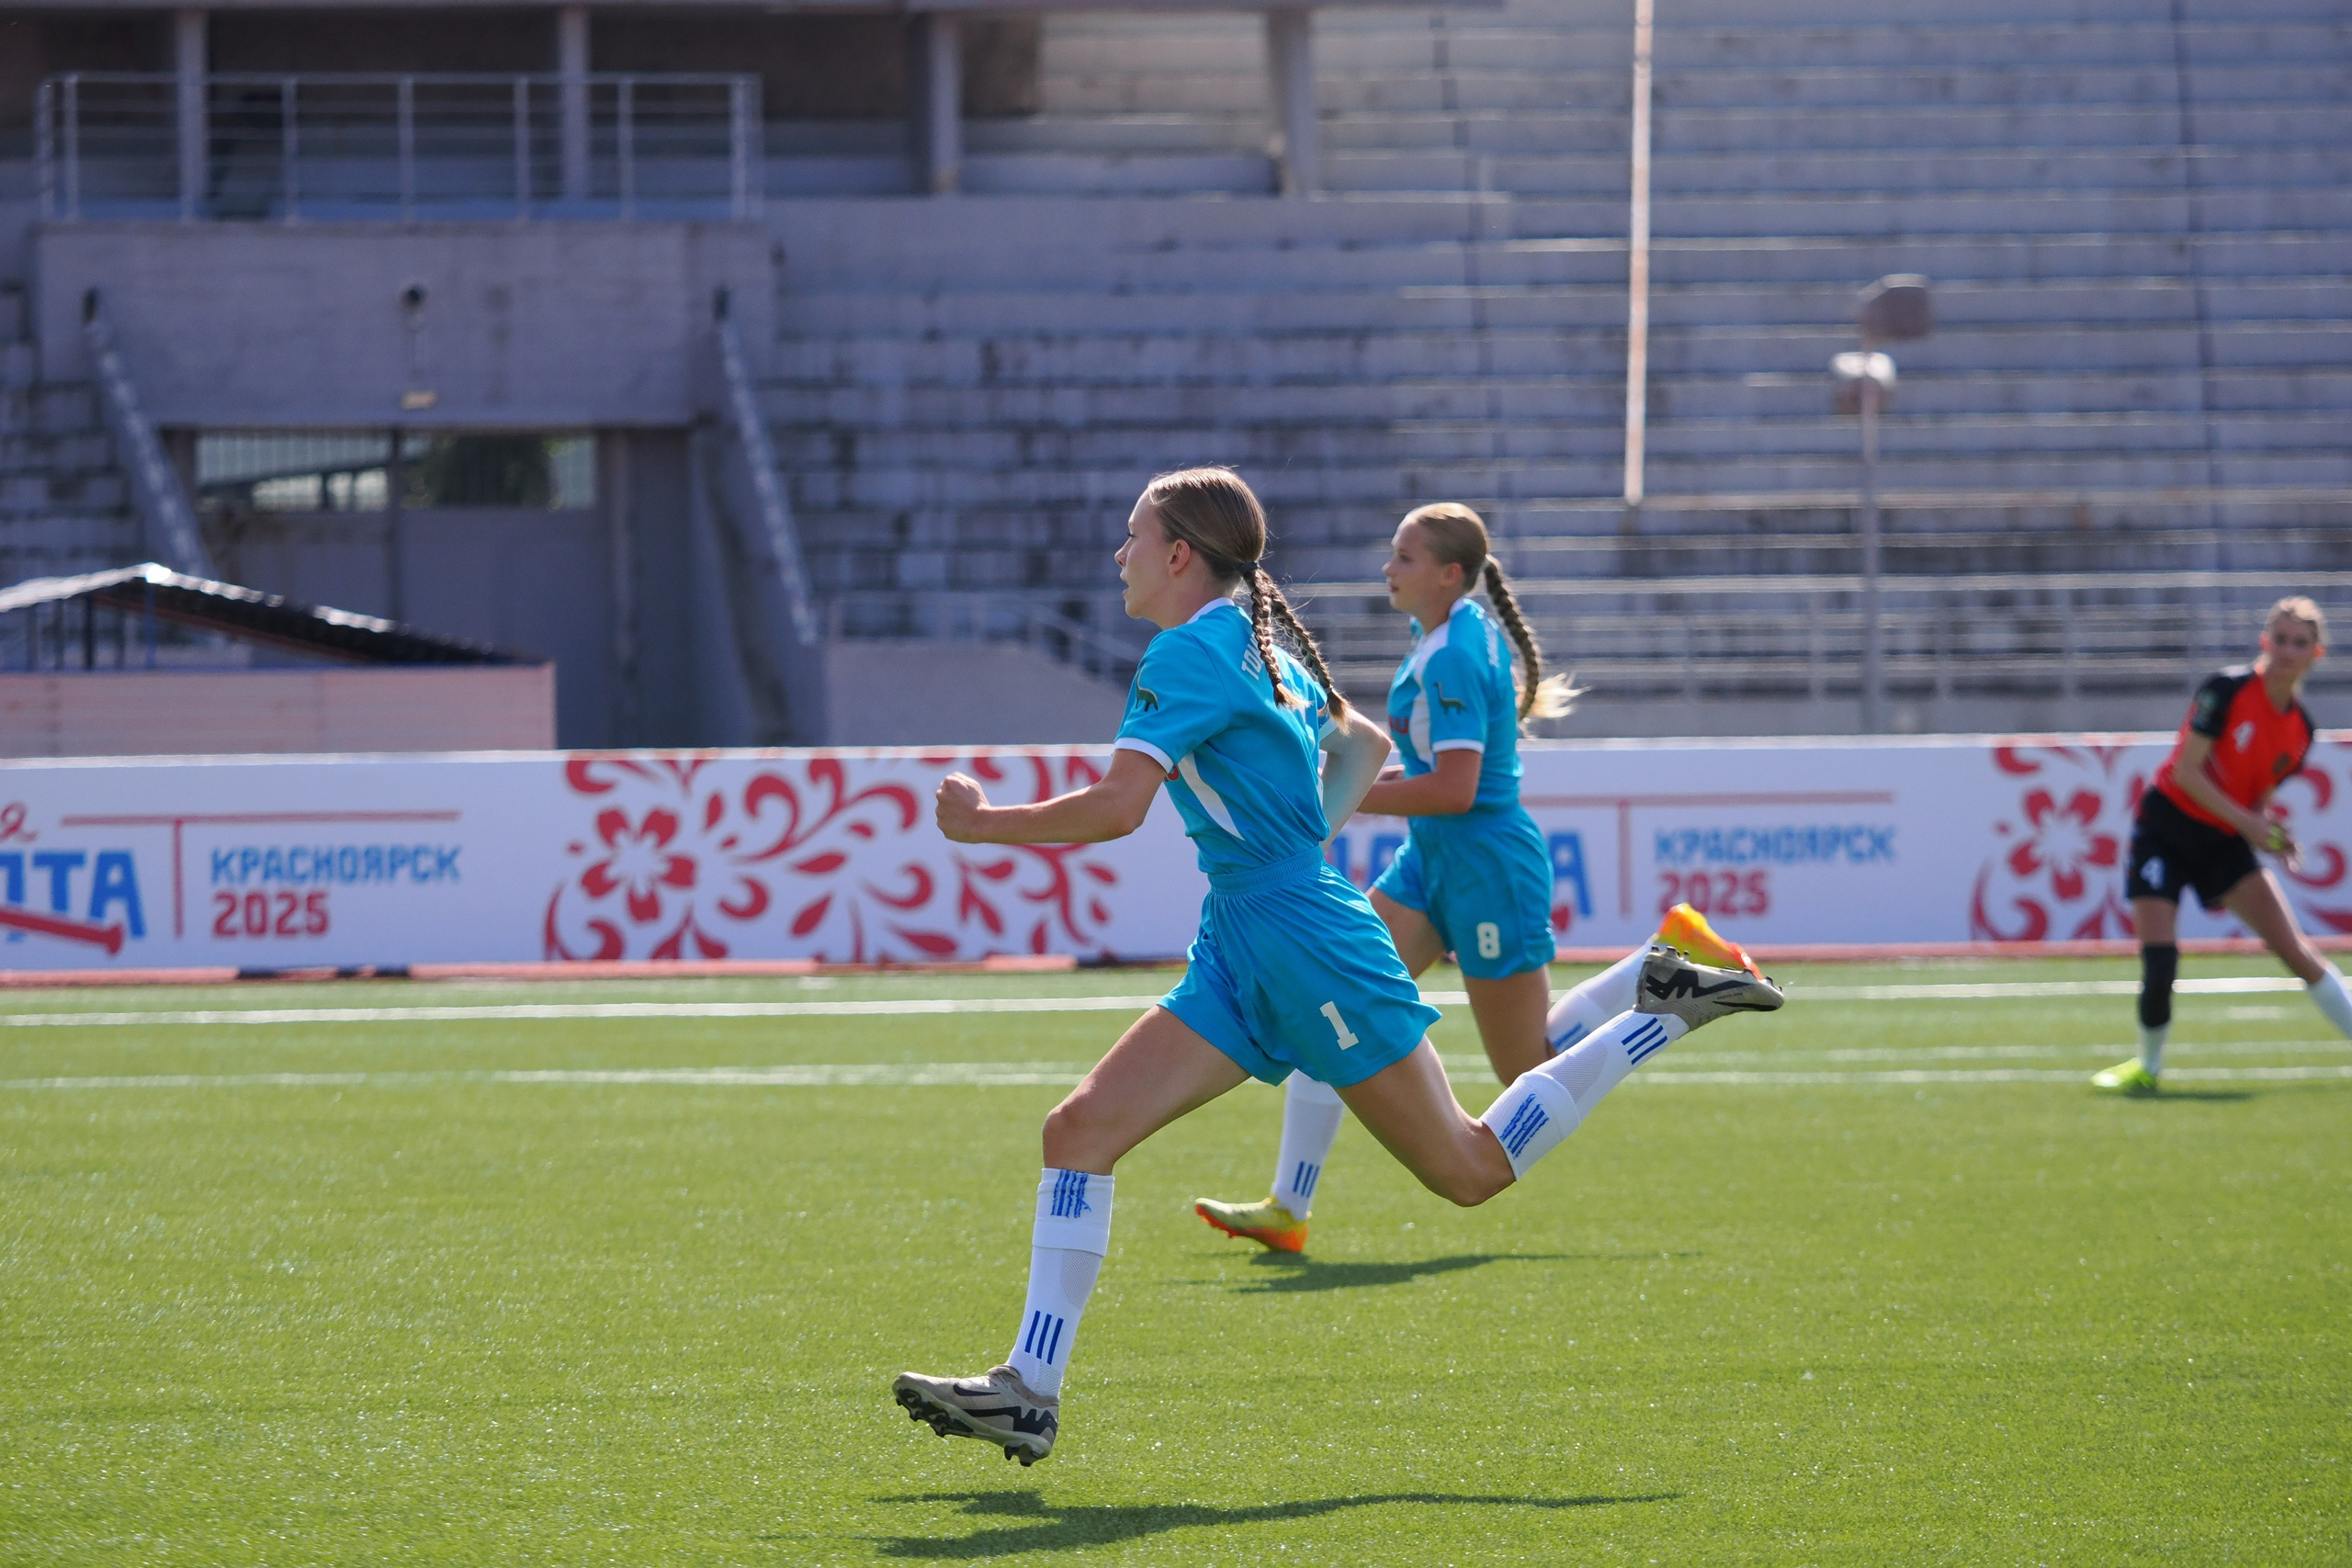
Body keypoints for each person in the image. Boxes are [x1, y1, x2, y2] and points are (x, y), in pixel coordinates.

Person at [891, 468, 1783, 1464]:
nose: (1120, 553)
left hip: (1300, 940)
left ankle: (1665, 1008)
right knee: (1080, 1129)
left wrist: (978, 827)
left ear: (1179, 553)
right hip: (1251, 931)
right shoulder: (1254, 636)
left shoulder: (1187, 653)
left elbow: (1115, 809)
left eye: (1133, 533)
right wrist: (1289, 851)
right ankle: (1029, 1389)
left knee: (1469, 1168)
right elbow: (1354, 745)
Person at [1193, 502, 1759, 1254]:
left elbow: (1457, 789)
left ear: (1449, 574)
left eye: (1404, 556)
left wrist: (1356, 794)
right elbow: (1436, 774)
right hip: (1436, 858)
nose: (1388, 568)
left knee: (1525, 1061)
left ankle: (1664, 982)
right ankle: (1289, 1205)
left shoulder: (1455, 651)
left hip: (1483, 862)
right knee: (1325, 989)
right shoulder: (1447, 637)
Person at [2097, 596, 2351, 1092]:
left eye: (2299, 643)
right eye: (2279, 639)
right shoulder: (2227, 690)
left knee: (2297, 952)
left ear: (2315, 654)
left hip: (2223, 840)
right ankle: (2148, 1066)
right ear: (2264, 642)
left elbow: (2256, 802)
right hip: (2166, 829)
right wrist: (2250, 824)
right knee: (2161, 957)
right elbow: (2187, 772)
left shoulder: (2301, 731)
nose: (2286, 651)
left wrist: (2271, 834)